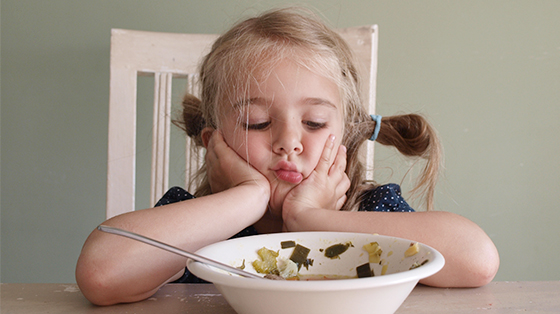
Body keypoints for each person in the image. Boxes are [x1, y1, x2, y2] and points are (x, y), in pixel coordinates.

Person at [76, 7, 499, 305]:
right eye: (257, 122)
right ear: (214, 141)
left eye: (314, 123)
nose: (289, 142)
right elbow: (101, 274)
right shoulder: (193, 220)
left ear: (346, 136)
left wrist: (313, 219)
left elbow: (476, 261)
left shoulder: (367, 210)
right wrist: (246, 197)